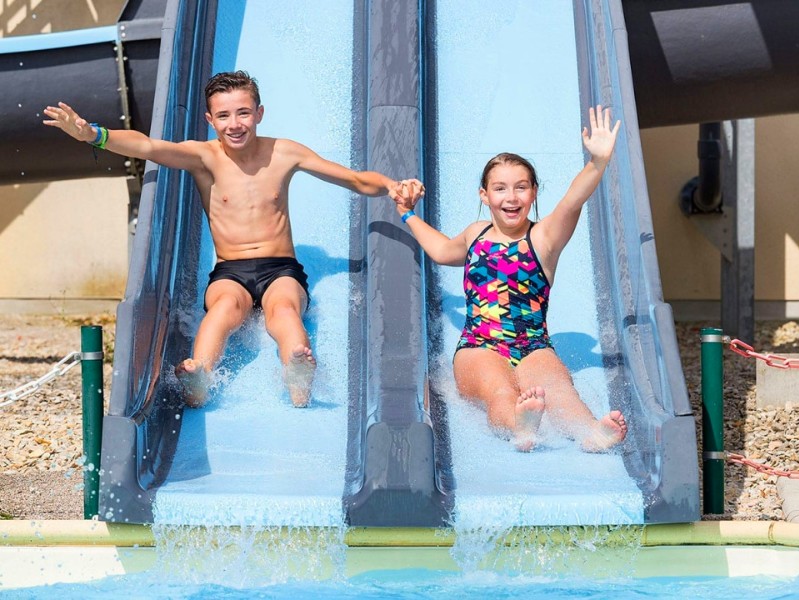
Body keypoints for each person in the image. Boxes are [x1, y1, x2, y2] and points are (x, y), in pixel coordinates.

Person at [44, 70, 424, 409]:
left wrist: (391, 186)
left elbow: (354, 179)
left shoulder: (284, 152)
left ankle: (297, 369)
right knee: (224, 308)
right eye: (223, 116)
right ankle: (199, 375)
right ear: (210, 120)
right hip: (230, 271)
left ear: (259, 113)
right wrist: (94, 135)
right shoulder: (203, 158)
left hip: (281, 269)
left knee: (284, 310)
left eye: (243, 113)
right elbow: (147, 146)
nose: (235, 124)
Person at [393, 105, 626, 452]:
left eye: (521, 187)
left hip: (533, 346)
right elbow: (441, 250)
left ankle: (592, 432)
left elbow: (571, 202)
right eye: (500, 188)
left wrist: (598, 162)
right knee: (500, 391)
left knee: (559, 389)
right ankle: (519, 424)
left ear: (534, 193)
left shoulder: (543, 238)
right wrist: (407, 213)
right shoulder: (475, 234)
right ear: (484, 195)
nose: (511, 197)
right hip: (477, 347)